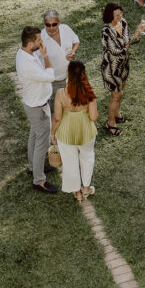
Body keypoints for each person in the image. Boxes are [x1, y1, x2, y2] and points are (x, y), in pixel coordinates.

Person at [15, 26, 58, 194]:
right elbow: (51, 76)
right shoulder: (28, 65)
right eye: (39, 40)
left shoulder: (25, 53)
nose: (42, 42)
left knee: (34, 136)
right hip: (38, 108)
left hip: (33, 104)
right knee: (42, 143)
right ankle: (39, 180)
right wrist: (46, 56)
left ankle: (34, 167)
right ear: (30, 43)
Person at [50, 60, 98, 202]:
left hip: (66, 133)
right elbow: (93, 117)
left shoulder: (61, 93)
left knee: (70, 162)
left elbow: (57, 118)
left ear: (69, 74)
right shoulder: (89, 92)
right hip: (86, 132)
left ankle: (77, 192)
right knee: (87, 158)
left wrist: (53, 133)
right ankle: (86, 188)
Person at [100, 2, 144, 136]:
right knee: (116, 95)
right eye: (117, 15)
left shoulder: (123, 23)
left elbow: (129, 39)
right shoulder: (106, 31)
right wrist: (126, 47)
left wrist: (137, 31)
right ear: (110, 16)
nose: (120, 16)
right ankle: (110, 123)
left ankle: (117, 114)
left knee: (121, 91)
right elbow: (113, 51)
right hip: (112, 68)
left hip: (124, 65)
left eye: (121, 13)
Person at [40, 9, 80, 95]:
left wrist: (73, 51)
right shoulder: (40, 39)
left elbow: (76, 41)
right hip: (53, 82)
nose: (51, 28)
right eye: (48, 25)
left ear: (59, 23)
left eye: (54, 24)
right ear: (44, 24)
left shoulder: (66, 29)